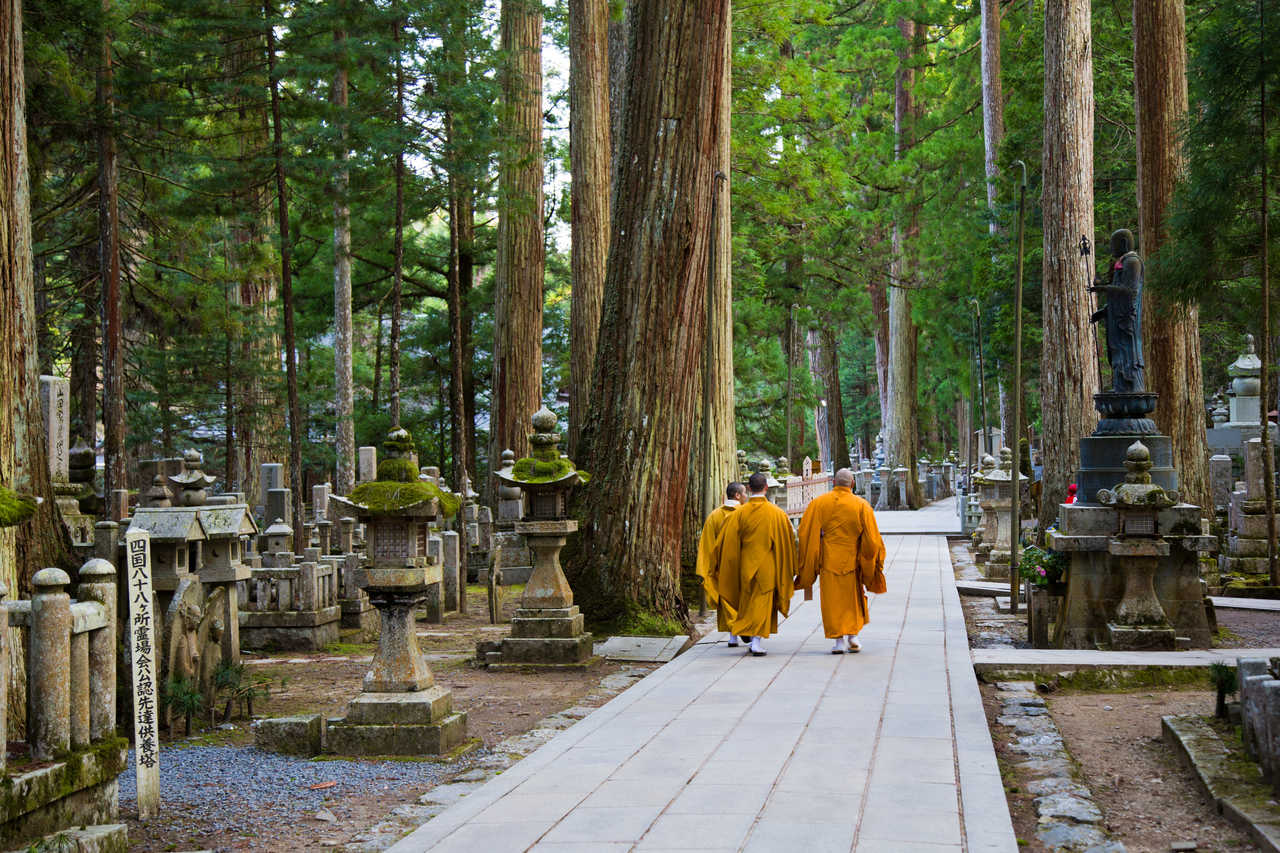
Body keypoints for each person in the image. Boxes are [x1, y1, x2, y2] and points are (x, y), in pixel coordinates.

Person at [796, 468, 887, 654]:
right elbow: (872, 540)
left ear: (833, 483)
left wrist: (816, 546)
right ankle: (853, 636)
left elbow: (805, 532)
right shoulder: (861, 505)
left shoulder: (819, 504)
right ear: (852, 484)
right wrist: (868, 562)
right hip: (853, 561)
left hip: (828, 561)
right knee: (853, 600)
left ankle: (838, 641)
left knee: (832, 601)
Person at [713, 472, 797, 656]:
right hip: (767, 567)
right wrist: (789, 567)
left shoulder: (737, 514)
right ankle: (756, 641)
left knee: (748, 602)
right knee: (761, 604)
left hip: (744, 566)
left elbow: (726, 544)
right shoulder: (777, 514)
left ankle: (747, 634)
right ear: (766, 488)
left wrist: (725, 567)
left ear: (749, 489)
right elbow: (787, 543)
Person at [696, 481, 748, 647]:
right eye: (744, 493)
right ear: (738, 495)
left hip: (721, 568)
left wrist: (709, 568)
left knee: (726, 601)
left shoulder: (714, 516)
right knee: (744, 601)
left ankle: (732, 637)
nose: (746, 496)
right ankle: (747, 631)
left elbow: (707, 545)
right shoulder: (746, 513)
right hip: (742, 566)